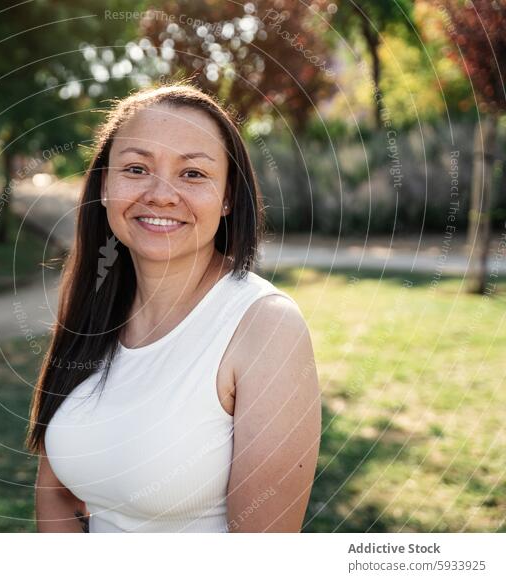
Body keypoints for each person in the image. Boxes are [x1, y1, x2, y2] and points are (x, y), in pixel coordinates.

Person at [26, 83, 321, 533]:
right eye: (137, 168)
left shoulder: (265, 327)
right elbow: (58, 495)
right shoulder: (93, 306)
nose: (161, 194)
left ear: (227, 198)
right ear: (105, 185)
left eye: (193, 174)